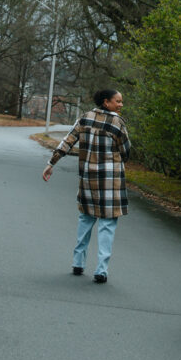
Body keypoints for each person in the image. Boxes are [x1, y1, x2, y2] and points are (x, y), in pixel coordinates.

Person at [42, 88, 131, 283]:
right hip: (110, 180)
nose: (121, 105)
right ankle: (101, 270)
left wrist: (51, 164)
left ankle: (78, 263)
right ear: (106, 102)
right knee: (107, 226)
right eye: (118, 101)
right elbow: (126, 150)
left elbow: (67, 142)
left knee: (85, 220)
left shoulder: (85, 118)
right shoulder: (117, 123)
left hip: (88, 178)